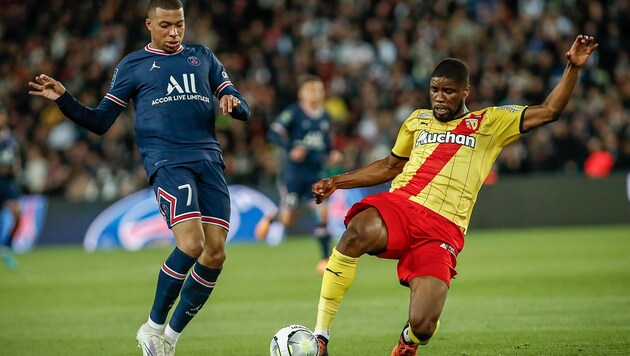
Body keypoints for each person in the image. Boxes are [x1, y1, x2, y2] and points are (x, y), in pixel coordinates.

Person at [310, 35, 598, 356]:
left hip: (443, 229)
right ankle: (320, 337)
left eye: (448, 91)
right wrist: (337, 181)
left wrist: (572, 67)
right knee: (357, 231)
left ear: (465, 92)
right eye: (434, 90)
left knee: (423, 324)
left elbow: (549, 110)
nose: (439, 98)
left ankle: (409, 342)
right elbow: (391, 165)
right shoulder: (416, 121)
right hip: (403, 205)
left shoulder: (489, 122)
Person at [28, 1, 250, 355]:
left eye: (179, 24)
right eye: (165, 25)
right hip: (168, 162)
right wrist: (65, 99)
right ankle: (152, 326)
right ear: (149, 24)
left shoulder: (203, 56)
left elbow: (241, 105)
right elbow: (101, 122)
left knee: (216, 254)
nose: (174, 32)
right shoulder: (133, 66)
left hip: (209, 161)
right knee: (191, 244)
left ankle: (168, 340)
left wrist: (233, 102)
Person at [256, 75, 338, 274]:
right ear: (301, 93)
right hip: (294, 174)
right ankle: (273, 217)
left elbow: (326, 143)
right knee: (288, 219)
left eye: (318, 89)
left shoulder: (325, 116)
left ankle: (324, 258)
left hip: (316, 174)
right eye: (311, 89)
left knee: (323, 212)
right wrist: (290, 148)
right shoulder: (294, 113)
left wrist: (332, 153)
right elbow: (274, 133)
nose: (316, 93)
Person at [0, 102, 22, 270]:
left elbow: (14, 157)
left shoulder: (10, 136)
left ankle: (6, 246)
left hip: (7, 181)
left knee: (17, 214)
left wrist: (16, 168)